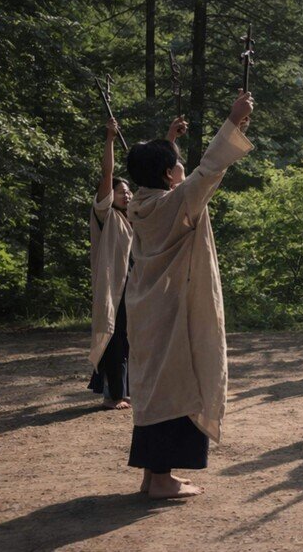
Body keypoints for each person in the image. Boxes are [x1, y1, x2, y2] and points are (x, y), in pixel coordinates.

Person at [123, 90, 253, 499]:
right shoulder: (175, 204)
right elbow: (209, 170)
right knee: (178, 388)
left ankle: (153, 476)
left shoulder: (140, 204)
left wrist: (167, 142)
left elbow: (160, 176)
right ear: (168, 175)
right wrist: (232, 121)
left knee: (154, 389)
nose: (183, 166)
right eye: (176, 163)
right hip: (175, 311)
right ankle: (161, 480)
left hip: (147, 311)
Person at [87, 117, 134, 410]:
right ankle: (113, 395)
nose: (126, 194)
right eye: (121, 191)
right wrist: (110, 139)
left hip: (132, 286)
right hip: (113, 289)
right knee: (114, 338)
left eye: (129, 191)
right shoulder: (105, 214)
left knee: (130, 339)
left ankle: (123, 390)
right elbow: (107, 173)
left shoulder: (132, 218)